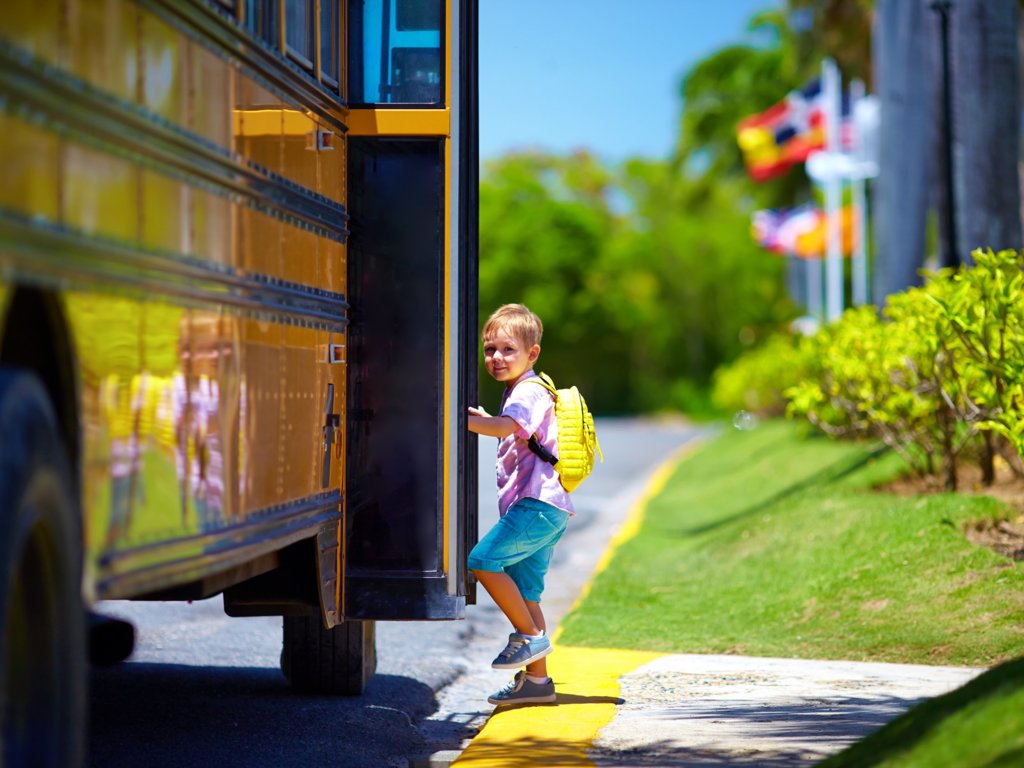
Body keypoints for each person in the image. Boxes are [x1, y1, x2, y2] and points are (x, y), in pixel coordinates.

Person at [467, 303, 574, 707]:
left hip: (537, 507)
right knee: (528, 595)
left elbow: (503, 427)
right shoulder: (524, 390)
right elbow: (506, 427)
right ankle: (537, 684)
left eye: (507, 350)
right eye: (489, 349)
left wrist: (453, 417)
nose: (496, 358)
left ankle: (529, 639)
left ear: (532, 353)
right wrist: (486, 417)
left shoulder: (528, 390)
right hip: (546, 510)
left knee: (481, 560)